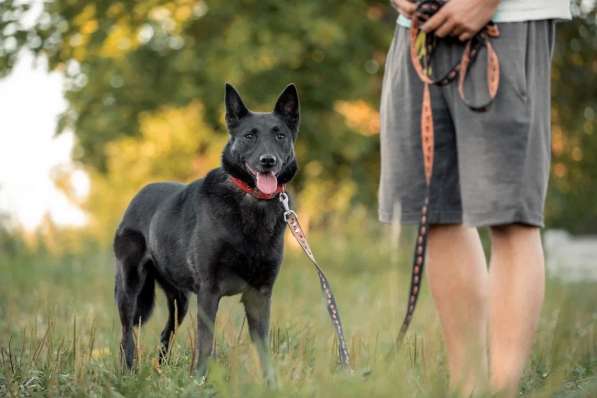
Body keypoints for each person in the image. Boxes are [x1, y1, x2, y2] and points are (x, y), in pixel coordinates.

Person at [379, 0, 571, 396]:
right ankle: (467, 388)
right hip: (415, 30)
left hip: (507, 20)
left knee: (511, 215)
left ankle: (502, 390)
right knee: (436, 214)